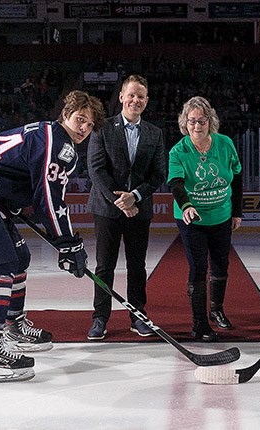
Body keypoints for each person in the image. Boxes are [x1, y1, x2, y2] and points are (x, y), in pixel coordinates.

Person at [0, 90, 105, 383]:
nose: (84, 129)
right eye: (80, 120)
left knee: (19, 257)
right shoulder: (58, 144)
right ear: (65, 114)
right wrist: (68, 243)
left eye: (90, 125)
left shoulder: (50, 136)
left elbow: (25, 178)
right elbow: (49, 201)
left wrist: (14, 200)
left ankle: (13, 325)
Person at [85, 75, 167, 340]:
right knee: (103, 266)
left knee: (137, 265)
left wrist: (136, 196)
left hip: (138, 209)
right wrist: (120, 201)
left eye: (140, 96)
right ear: (121, 97)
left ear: (146, 100)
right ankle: (100, 318)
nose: (135, 100)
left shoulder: (155, 133)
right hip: (108, 209)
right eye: (131, 95)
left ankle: (138, 315)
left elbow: (158, 174)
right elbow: (96, 169)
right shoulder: (102, 128)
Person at [168, 96, 243, 341]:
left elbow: (237, 177)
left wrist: (237, 211)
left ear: (210, 122)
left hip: (221, 215)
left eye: (202, 120)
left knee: (221, 264)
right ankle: (199, 324)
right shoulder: (178, 151)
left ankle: (216, 310)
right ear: (185, 124)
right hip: (192, 218)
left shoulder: (225, 144)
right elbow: (177, 184)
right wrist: (187, 205)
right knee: (199, 267)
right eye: (192, 121)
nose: (197, 126)